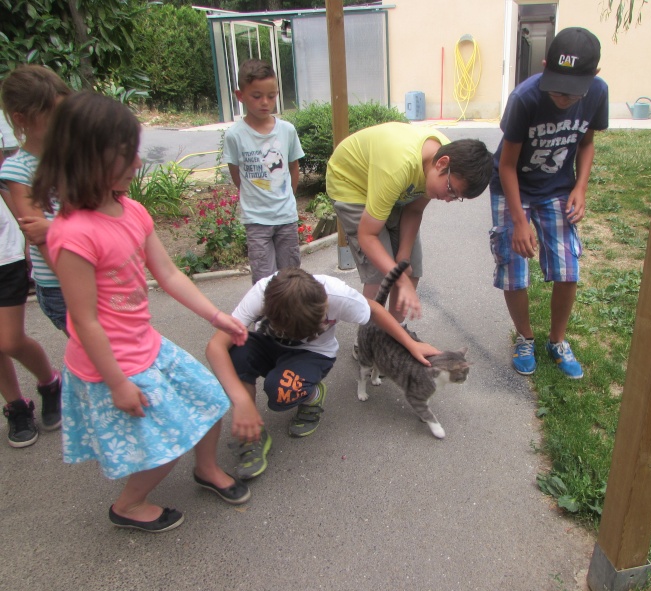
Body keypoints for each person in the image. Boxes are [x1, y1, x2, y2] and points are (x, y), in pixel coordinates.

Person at [33, 91, 251, 533]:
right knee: (165, 442)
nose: (138, 163)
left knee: (208, 400)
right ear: (89, 158)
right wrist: (117, 383)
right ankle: (129, 505)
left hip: (146, 346)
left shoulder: (132, 210)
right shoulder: (72, 235)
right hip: (113, 364)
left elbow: (168, 274)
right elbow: (84, 321)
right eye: (126, 154)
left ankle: (206, 469)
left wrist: (216, 316)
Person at [206, 267, 440, 480]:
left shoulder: (337, 294)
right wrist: (241, 402)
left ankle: (312, 396)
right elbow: (215, 347)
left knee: (281, 391)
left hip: (312, 353)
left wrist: (411, 344)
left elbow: (376, 310)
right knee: (235, 353)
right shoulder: (262, 295)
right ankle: (252, 434)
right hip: (269, 343)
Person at [489, 27, 609, 379]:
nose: (562, 96)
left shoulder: (597, 93)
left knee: (567, 266)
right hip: (512, 187)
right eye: (556, 86)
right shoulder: (525, 98)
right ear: (544, 66)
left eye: (572, 91)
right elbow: (507, 165)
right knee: (513, 264)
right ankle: (525, 338)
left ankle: (557, 341)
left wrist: (581, 187)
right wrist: (519, 221)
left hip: (558, 188)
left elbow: (586, 143)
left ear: (593, 78)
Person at [326, 121, 493, 325]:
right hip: (352, 183)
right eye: (450, 190)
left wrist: (403, 261)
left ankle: (394, 337)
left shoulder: (447, 160)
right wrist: (399, 277)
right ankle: (367, 342)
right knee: (379, 273)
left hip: (392, 188)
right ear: (442, 163)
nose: (448, 199)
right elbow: (367, 236)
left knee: (411, 266)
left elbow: (413, 210)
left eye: (456, 197)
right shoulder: (399, 165)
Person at [0, 65, 71, 335]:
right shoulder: (18, 169)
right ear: (22, 120)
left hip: (92, 272)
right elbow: (38, 236)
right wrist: (74, 285)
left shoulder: (73, 154)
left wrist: (55, 229)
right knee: (100, 358)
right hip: (60, 283)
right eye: (53, 116)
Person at [223, 59, 305, 284]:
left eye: (272, 95)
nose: (265, 102)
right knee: (263, 279)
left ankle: (292, 319)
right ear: (240, 96)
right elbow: (236, 173)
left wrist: (288, 197)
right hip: (256, 219)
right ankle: (266, 319)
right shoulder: (235, 135)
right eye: (256, 96)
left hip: (285, 217)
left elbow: (293, 167)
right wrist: (254, 196)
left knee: (291, 275)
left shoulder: (286, 130)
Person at [0, 187, 61, 447]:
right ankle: (17, 406)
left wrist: (27, 241)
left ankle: (50, 383)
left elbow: (6, 185)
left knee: (9, 341)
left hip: (5, 255)